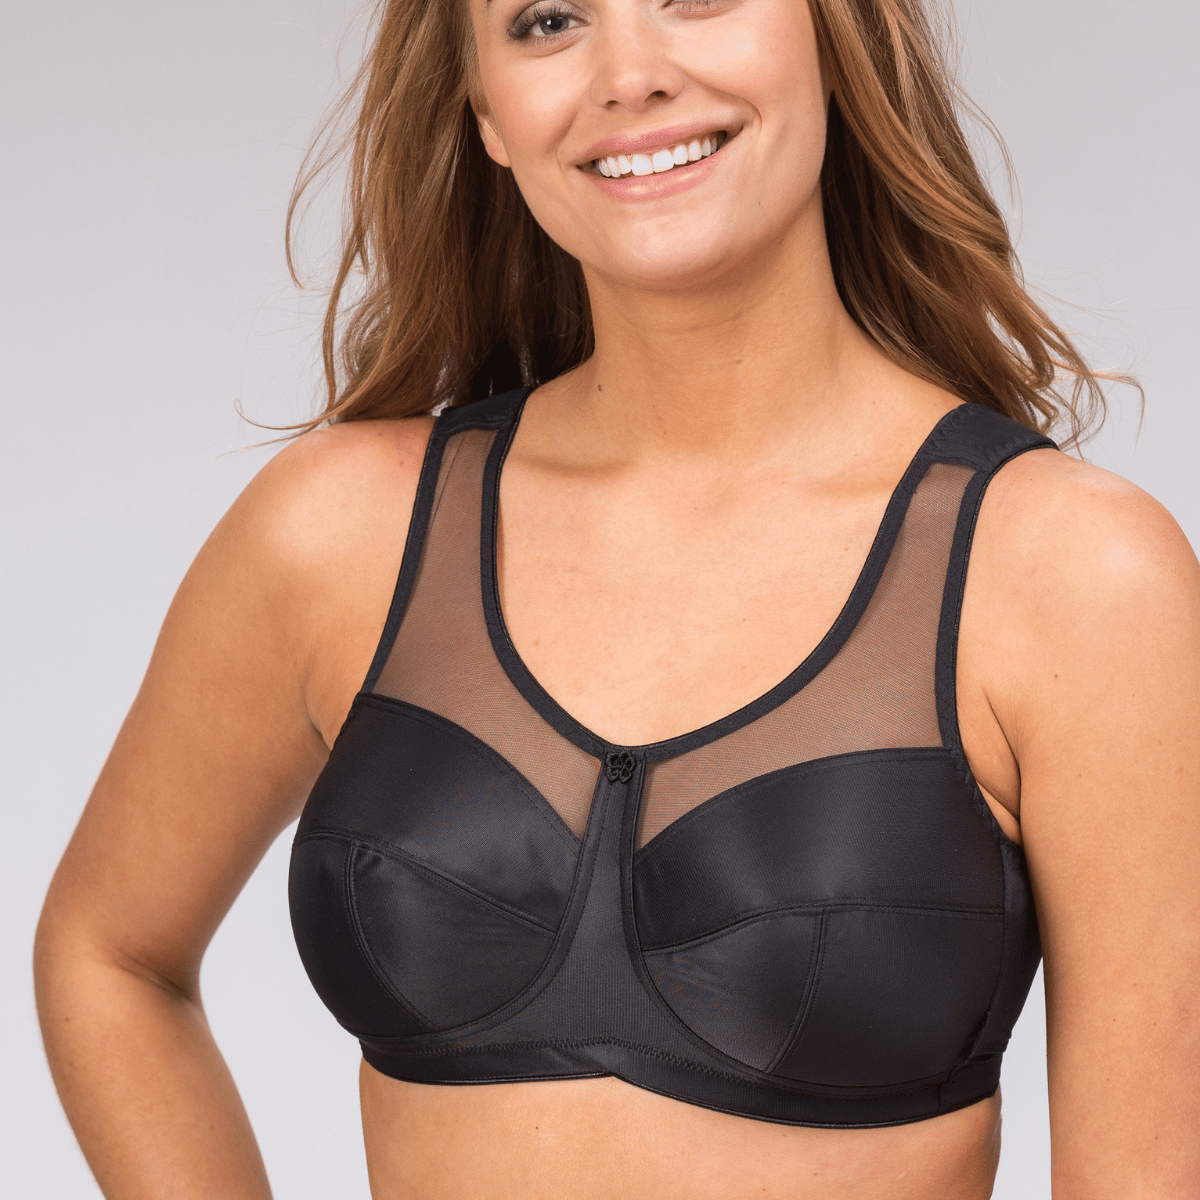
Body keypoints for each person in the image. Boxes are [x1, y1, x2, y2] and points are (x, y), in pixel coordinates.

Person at [33, 0, 1200, 1195]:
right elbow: (107, 953)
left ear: (835, 33)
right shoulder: (342, 535)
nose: (631, 73)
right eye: (547, 20)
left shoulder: (1071, 576)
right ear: (487, 111)